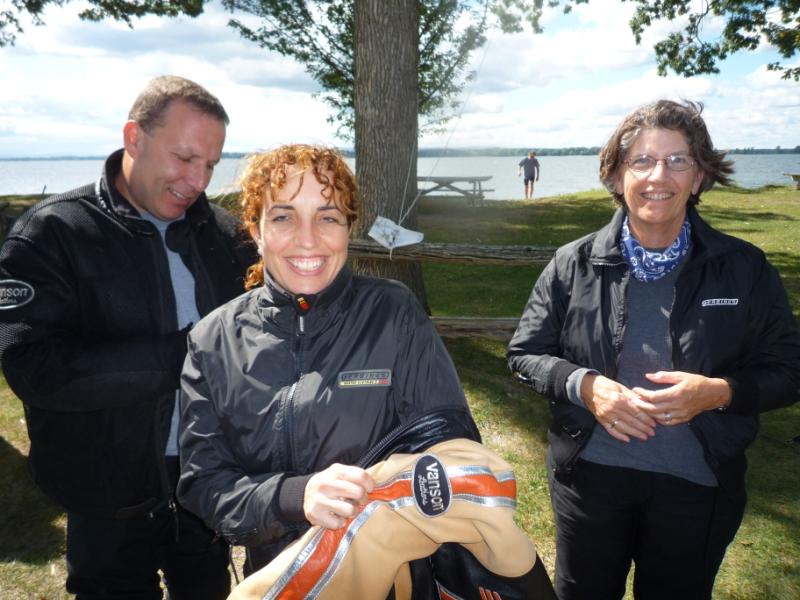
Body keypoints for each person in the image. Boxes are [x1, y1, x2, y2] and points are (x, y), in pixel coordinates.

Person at [507, 100, 800, 600]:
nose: (658, 176)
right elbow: (525, 353)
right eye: (641, 160)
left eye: (677, 160)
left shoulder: (743, 268)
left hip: (697, 486)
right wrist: (586, 386)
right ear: (617, 175)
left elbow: (789, 368)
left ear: (699, 177)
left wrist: (720, 393)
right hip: (590, 481)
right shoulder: (573, 263)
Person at [0, 75, 256, 599]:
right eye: (184, 157)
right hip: (105, 493)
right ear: (134, 138)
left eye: (210, 165)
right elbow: (34, 368)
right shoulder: (53, 233)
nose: (198, 180)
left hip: (206, 481)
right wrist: (185, 355)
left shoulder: (224, 234)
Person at [176, 144, 481, 577]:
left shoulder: (393, 314)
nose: (308, 238)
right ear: (256, 231)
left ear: (348, 228)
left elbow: (452, 448)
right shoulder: (212, 340)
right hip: (278, 580)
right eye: (283, 217)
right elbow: (204, 484)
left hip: (391, 576)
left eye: (328, 217)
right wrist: (293, 497)